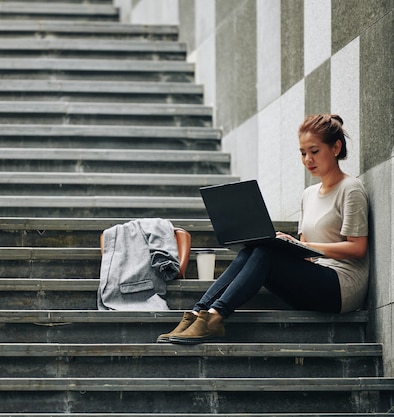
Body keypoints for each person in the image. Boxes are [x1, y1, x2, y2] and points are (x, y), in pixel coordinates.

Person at [158, 114, 370, 344]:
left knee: (266, 253)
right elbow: (306, 254)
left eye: (314, 151)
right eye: (302, 153)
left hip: (342, 288)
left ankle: (215, 317)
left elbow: (358, 248)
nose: (308, 159)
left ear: (336, 147)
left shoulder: (351, 190)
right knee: (256, 247)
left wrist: (302, 245)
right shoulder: (308, 195)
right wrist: (289, 245)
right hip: (314, 283)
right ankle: (200, 312)